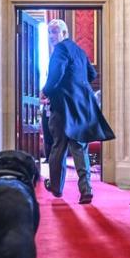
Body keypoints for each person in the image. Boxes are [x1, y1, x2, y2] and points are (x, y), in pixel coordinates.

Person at [41, 19, 115, 204]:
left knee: (59, 145)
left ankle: (56, 187)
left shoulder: (60, 49)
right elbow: (92, 74)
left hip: (62, 106)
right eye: (50, 33)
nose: (51, 36)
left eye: (55, 32)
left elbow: (56, 74)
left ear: (64, 33)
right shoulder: (80, 51)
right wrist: (77, 88)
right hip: (81, 106)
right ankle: (86, 189)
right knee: (79, 147)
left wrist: (46, 90)